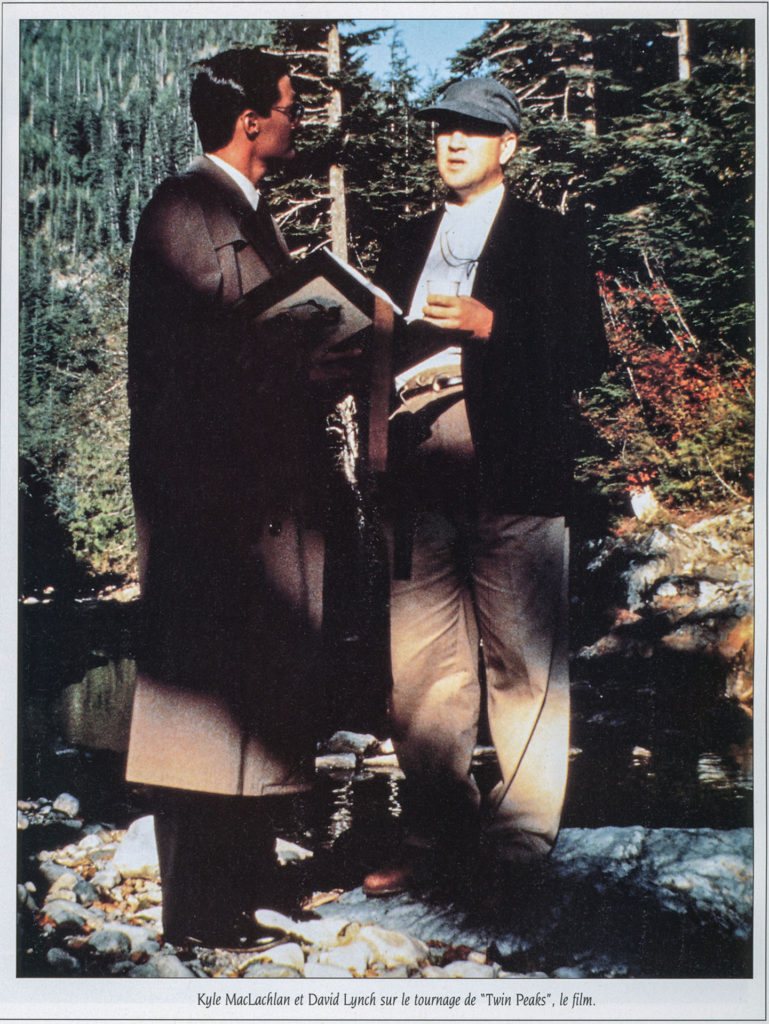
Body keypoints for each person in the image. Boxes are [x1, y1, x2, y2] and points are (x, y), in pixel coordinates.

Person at [125, 47, 353, 947]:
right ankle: (198, 912)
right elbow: (188, 372)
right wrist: (306, 371)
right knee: (202, 702)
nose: (298, 122)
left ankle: (239, 889)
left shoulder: (241, 214)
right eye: (291, 108)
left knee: (250, 692)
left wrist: (311, 371)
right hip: (210, 506)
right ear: (251, 121)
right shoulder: (189, 210)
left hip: (252, 497)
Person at [363, 78, 608, 896]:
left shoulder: (547, 237)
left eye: (473, 130)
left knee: (524, 665)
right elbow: (374, 352)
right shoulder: (403, 239)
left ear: (509, 145)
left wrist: (489, 325)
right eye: (443, 129)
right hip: (418, 466)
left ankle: (517, 847)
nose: (453, 141)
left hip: (514, 464)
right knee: (421, 671)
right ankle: (434, 833)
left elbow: (584, 354)